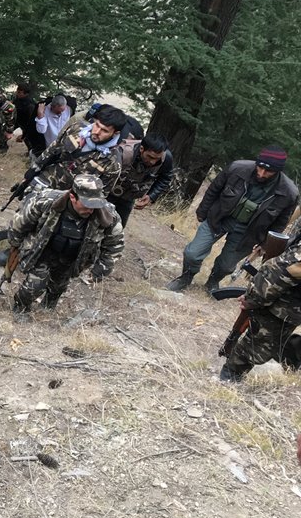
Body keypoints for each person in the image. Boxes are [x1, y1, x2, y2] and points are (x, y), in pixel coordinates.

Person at [166, 147, 298, 296]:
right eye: (259, 167)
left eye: (268, 171)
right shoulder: (237, 168)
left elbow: (280, 222)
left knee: (226, 266)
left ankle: (213, 281)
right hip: (219, 218)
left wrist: (265, 244)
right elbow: (214, 189)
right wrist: (202, 211)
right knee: (192, 253)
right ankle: (186, 277)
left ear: (278, 171)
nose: (261, 173)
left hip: (248, 232)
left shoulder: (289, 193)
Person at [7, 174, 125, 316]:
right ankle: (21, 308)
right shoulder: (46, 200)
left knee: (58, 286)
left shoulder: (108, 215)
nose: (91, 210)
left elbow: (115, 245)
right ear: (73, 197)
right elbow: (21, 222)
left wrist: (101, 269)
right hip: (42, 250)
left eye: (96, 204)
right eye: (87, 204)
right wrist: (15, 243)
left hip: (73, 257)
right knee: (34, 286)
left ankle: (47, 307)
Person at [217, 232, 301, 383]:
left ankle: (286, 358)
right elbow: (289, 268)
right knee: (258, 343)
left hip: (291, 307)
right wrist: (254, 298)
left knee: (273, 340)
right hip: (284, 303)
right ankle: (230, 376)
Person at [15, 103, 128, 197]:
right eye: (97, 125)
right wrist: (31, 173)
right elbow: (52, 149)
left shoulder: (113, 162)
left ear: (115, 133)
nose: (97, 132)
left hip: (66, 201)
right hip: (45, 181)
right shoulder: (76, 128)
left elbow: (100, 195)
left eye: (104, 130)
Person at [107, 134, 175, 227]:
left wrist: (151, 196)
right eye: (150, 157)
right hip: (108, 193)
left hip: (129, 197)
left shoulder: (166, 158)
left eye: (157, 159)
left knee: (117, 229)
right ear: (142, 149)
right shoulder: (124, 153)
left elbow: (165, 177)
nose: (153, 162)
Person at [12, 83, 47, 160]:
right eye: (17, 91)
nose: (17, 93)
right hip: (18, 121)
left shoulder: (30, 105)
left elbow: (31, 121)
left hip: (28, 125)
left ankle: (32, 155)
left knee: (29, 140)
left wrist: (24, 135)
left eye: (19, 92)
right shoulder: (17, 100)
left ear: (25, 93)